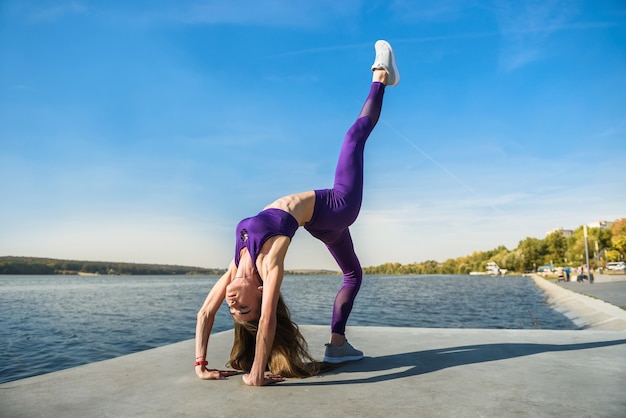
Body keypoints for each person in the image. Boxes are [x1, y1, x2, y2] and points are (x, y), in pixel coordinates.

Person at [194, 40, 400, 386]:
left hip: (320, 223)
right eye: (243, 308)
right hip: (337, 206)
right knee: (353, 138)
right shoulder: (269, 264)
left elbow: (204, 312)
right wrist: (256, 374)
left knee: (353, 275)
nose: (232, 304)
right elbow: (269, 319)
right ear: (259, 293)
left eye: (234, 311)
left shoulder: (235, 267)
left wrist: (200, 364)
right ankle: (382, 76)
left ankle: (338, 345)